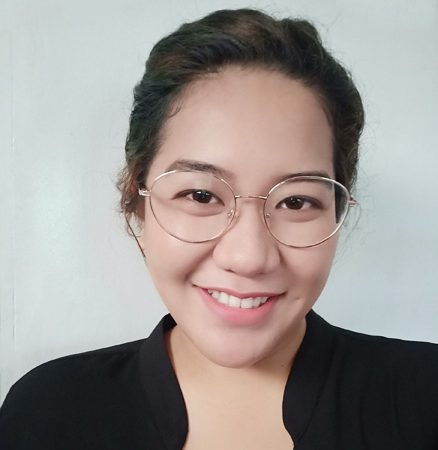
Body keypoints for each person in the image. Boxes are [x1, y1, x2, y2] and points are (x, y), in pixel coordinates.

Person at [0, 8, 437, 450]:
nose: (248, 257)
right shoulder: (49, 413)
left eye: (296, 201)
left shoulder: (424, 395)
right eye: (201, 195)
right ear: (138, 203)